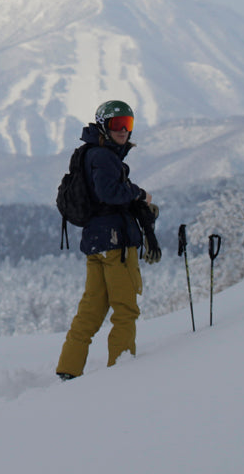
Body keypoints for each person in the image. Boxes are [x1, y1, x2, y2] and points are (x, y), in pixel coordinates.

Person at [56, 100, 161, 380]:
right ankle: (121, 373)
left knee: (91, 309)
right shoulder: (103, 157)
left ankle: (69, 368)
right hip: (116, 244)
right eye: (117, 125)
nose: (123, 131)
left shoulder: (88, 153)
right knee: (125, 309)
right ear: (103, 125)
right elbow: (110, 193)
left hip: (95, 243)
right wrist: (139, 194)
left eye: (128, 124)